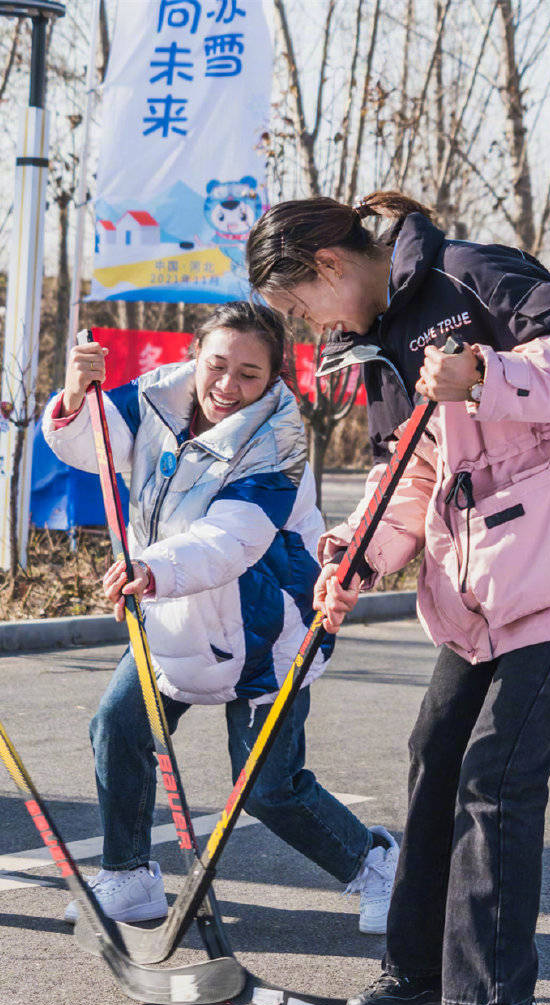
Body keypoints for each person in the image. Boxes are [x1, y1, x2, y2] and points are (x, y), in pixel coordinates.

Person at [248, 192, 550, 1005]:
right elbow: (409, 470)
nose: (302, 326)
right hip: (489, 587)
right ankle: (417, 969)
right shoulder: (371, 348)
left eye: (298, 306)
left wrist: (487, 375)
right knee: (436, 748)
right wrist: (359, 557)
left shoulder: (467, 274)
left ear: (329, 267)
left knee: (498, 773)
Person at [41, 302, 396, 932]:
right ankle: (127, 878)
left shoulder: (280, 440)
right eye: (218, 365)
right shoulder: (155, 399)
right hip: (175, 614)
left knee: (267, 789)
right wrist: (75, 395)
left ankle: (376, 866)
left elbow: (232, 539)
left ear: (275, 379)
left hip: (265, 626)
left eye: (250, 375)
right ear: (195, 356)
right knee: (119, 728)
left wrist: (151, 571)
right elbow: (90, 446)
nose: (228, 386)